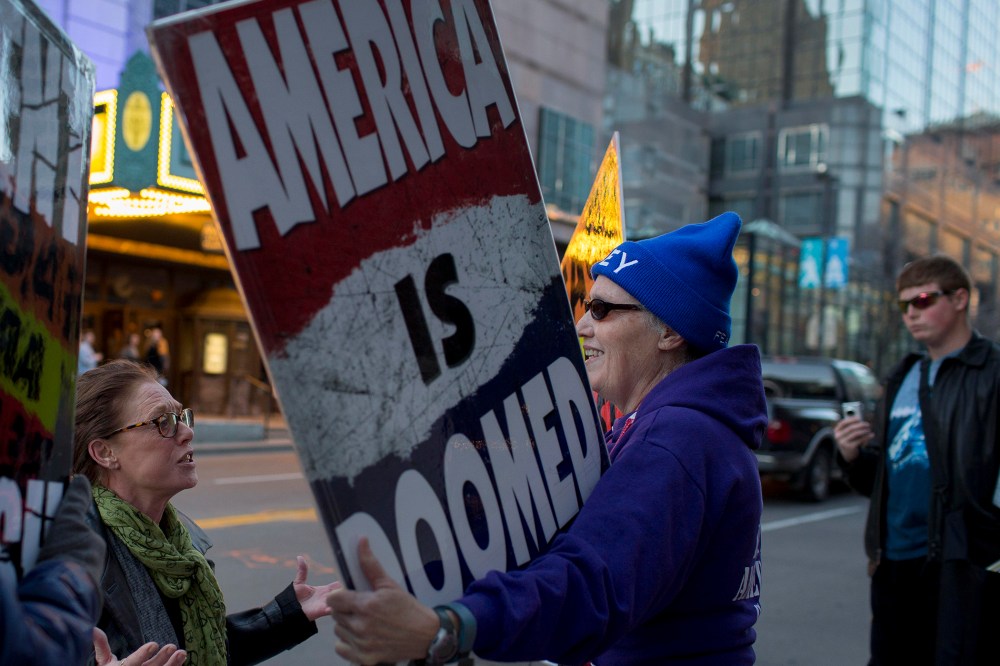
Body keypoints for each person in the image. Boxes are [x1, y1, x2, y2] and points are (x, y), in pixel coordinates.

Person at [327, 212, 767, 665]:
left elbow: (591, 584)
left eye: (602, 310)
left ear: (672, 331)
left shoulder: (676, 439)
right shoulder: (692, 431)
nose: (582, 325)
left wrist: (449, 627)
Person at [73, 359, 340, 665]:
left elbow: (201, 649)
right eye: (162, 422)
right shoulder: (70, 558)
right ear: (105, 452)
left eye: (181, 417)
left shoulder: (181, 543)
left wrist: (287, 614)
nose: (186, 432)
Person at [833, 255, 1000, 665]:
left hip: (959, 564)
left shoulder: (992, 372)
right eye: (904, 305)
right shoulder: (902, 376)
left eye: (923, 300)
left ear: (960, 298)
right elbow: (883, 475)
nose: (911, 313)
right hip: (892, 562)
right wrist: (852, 454)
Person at [1, 475, 104, 665]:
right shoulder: (93, 524)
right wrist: (72, 573)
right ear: (104, 453)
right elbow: (25, 653)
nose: (178, 442)